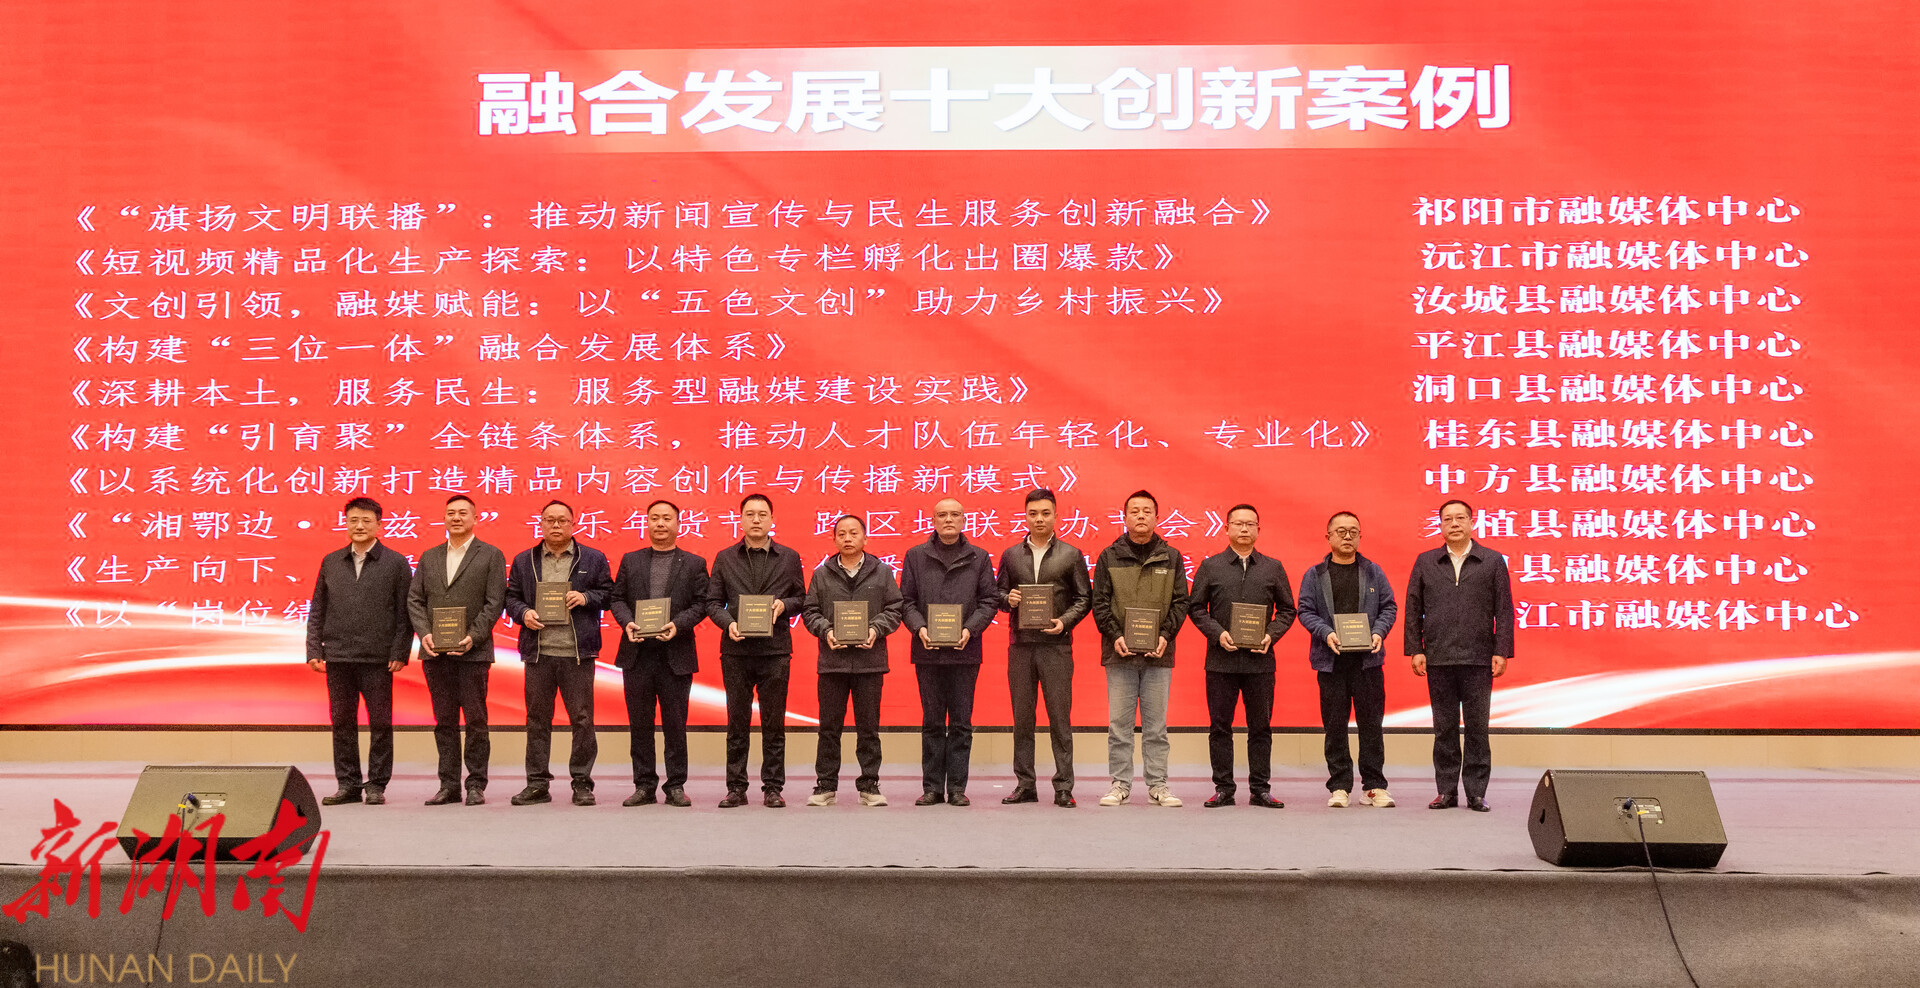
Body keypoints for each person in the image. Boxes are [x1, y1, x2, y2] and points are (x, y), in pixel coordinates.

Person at [1404, 499, 1515, 812]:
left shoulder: (1492, 561)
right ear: (1440, 525)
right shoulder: (1426, 561)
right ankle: (1446, 791)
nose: (1454, 524)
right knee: (1444, 728)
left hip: (1479, 658)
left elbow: (1504, 610)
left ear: (1471, 522)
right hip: (1438, 657)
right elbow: (1413, 607)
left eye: (1460, 518)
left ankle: (1476, 792)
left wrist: (1501, 650)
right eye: (1447, 519)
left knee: (1478, 729)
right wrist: (1415, 649)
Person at [1185, 503, 1295, 809]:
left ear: (1259, 529)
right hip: (1221, 661)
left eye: (1250, 524)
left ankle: (1260, 789)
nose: (1244, 529)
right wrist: (1217, 633)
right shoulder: (1211, 566)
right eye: (1238, 523)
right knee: (1220, 727)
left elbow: (1288, 610)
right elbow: (1196, 608)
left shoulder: (1273, 567)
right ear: (1226, 529)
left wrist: (1270, 635)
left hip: (1260, 662)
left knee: (1261, 727)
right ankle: (1224, 788)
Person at [304, 496, 412, 806]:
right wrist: (314, 648)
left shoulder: (396, 563)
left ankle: (376, 784)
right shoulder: (331, 561)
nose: (360, 526)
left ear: (379, 524)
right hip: (338, 656)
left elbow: (405, 613)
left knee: (380, 723)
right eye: (353, 520)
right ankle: (348, 784)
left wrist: (399, 652)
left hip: (378, 658)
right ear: (346, 523)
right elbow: (318, 608)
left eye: (366, 520)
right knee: (342, 723)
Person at [504, 500, 613, 807]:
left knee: (582, 720)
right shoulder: (525, 560)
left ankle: (582, 783)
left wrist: (586, 597)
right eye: (549, 520)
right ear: (540, 524)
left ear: (573, 524)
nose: (555, 525)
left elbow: (609, 594)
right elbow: (511, 598)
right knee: (537, 720)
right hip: (539, 653)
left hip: (577, 653)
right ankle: (537, 783)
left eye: (562, 520)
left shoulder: (592, 558)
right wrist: (524, 613)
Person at [705, 493, 806, 808]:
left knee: (774, 723)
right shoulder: (725, 557)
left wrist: (784, 605)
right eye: (750, 514)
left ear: (772, 519)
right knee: (737, 722)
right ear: (741, 519)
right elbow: (712, 602)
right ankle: (736, 787)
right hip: (736, 650)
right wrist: (728, 623)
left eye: (763, 514)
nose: (756, 519)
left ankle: (773, 787)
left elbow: (802, 598)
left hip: (775, 651)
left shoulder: (789, 557)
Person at [1090, 490, 1191, 808]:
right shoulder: (1108, 556)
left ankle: (1158, 784)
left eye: (1147, 510)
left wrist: (1165, 635)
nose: (1141, 516)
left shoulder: (1171, 557)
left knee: (1156, 727)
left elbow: (1181, 602)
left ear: (1157, 517)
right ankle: (1120, 784)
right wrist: (1115, 635)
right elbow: (1099, 602)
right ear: (1125, 517)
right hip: (1119, 653)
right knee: (1119, 726)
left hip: (1158, 654)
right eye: (1134, 511)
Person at [407, 494, 507, 806]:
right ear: (444, 518)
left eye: (463, 513)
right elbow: (415, 600)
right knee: (444, 722)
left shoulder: (490, 555)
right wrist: (425, 633)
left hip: (473, 653)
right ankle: (448, 785)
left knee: (476, 720)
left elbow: (494, 602)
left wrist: (473, 636)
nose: (456, 518)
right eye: (451, 513)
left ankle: (476, 784)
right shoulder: (429, 556)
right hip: (435, 653)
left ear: (475, 518)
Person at [899, 497, 1000, 806]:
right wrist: (920, 628)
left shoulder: (979, 557)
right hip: (927, 650)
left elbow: (989, 601)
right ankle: (932, 787)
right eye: (942, 515)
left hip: (965, 650)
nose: (948, 520)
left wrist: (970, 629)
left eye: (955, 514)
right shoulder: (916, 556)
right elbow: (906, 601)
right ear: (933, 520)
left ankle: (957, 787)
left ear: (964, 520)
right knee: (931, 721)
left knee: (960, 723)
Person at [608, 499, 709, 807]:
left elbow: (702, 604)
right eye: (654, 518)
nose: (660, 523)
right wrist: (627, 622)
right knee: (640, 725)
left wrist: (678, 625)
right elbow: (617, 599)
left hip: (675, 655)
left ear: (678, 524)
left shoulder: (694, 563)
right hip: (637, 654)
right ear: (647, 523)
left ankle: (675, 785)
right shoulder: (631, 560)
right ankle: (644, 785)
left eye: (667, 518)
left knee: (675, 725)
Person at [1296, 511, 1399, 809]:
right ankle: (1339, 785)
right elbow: (1305, 610)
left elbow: (1389, 607)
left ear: (1360, 536)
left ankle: (1374, 786)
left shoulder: (1373, 571)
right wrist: (1326, 632)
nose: (1347, 536)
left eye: (1353, 531)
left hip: (1368, 663)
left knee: (1371, 726)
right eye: (1340, 531)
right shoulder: (1315, 574)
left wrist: (1379, 632)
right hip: (1331, 663)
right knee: (1335, 727)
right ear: (1328, 536)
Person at [995, 488, 1091, 808]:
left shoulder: (1071, 554)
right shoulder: (1011, 555)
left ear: (1055, 516)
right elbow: (997, 595)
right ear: (1025, 516)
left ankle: (1064, 786)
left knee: (1059, 719)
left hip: (1056, 647)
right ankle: (1025, 784)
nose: (1039, 519)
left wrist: (1064, 621)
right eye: (1033, 513)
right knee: (1022, 719)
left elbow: (1084, 598)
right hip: (1020, 647)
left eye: (1045, 513)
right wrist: (1007, 599)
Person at [801, 515, 905, 807]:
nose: (847, 538)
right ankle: (825, 785)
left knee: (868, 728)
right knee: (828, 728)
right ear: (834, 539)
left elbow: (895, 608)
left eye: (854, 533)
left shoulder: (882, 572)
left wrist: (875, 629)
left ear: (865, 538)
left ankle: (869, 784)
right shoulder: (822, 574)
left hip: (870, 662)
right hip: (832, 662)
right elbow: (810, 611)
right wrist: (826, 631)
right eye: (841, 534)